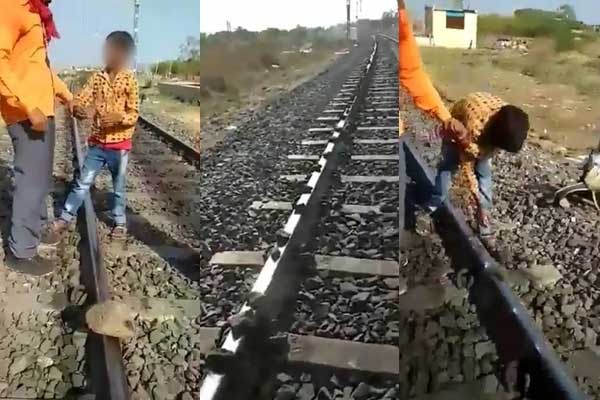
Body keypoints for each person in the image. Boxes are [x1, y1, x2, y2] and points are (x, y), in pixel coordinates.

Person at [398, 2, 529, 252]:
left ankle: (485, 221)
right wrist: (476, 201)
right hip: (457, 128)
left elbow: (411, 72)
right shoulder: (474, 125)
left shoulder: (507, 120)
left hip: (483, 133)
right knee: (447, 169)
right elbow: (467, 170)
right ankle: (433, 207)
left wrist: (483, 206)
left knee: (486, 175)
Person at [0, 0, 73, 276]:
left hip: (42, 110)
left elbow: (41, 67)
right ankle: (21, 251)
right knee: (31, 181)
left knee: (41, 179)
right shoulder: (10, 6)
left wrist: (68, 97)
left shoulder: (34, 12)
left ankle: (37, 227)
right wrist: (27, 106)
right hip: (27, 113)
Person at [44, 31, 139, 242]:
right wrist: (77, 108)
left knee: (119, 187)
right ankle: (65, 217)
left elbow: (133, 114)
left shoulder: (130, 80)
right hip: (97, 144)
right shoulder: (97, 78)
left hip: (119, 146)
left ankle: (120, 222)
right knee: (82, 182)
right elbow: (80, 99)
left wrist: (118, 118)